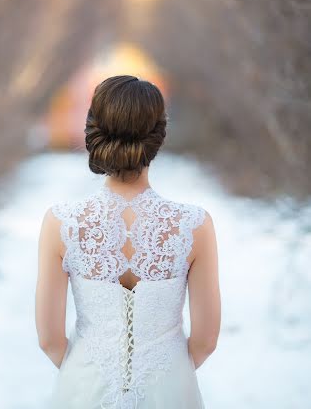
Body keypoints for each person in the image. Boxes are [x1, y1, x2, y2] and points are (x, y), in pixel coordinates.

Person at [35, 75, 221, 409]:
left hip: (83, 390)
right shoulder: (195, 226)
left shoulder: (61, 224)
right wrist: (168, 373)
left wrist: (85, 372)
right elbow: (206, 341)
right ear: (158, 136)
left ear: (93, 131)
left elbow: (49, 340)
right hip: (171, 391)